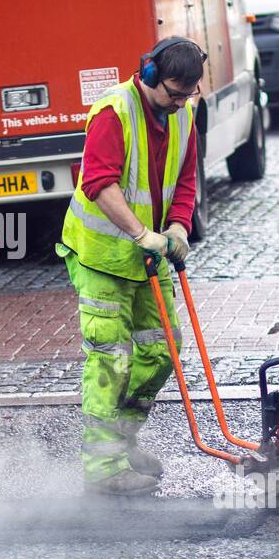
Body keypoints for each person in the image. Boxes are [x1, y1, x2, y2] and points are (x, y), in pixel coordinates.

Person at [56, 37, 205, 496]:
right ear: (148, 76)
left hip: (150, 254)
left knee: (162, 352)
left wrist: (178, 227)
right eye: (173, 93)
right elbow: (99, 183)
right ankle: (102, 470)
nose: (180, 103)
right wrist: (142, 233)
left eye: (188, 94)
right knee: (110, 361)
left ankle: (121, 439)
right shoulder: (113, 113)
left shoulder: (183, 116)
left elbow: (185, 179)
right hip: (103, 256)